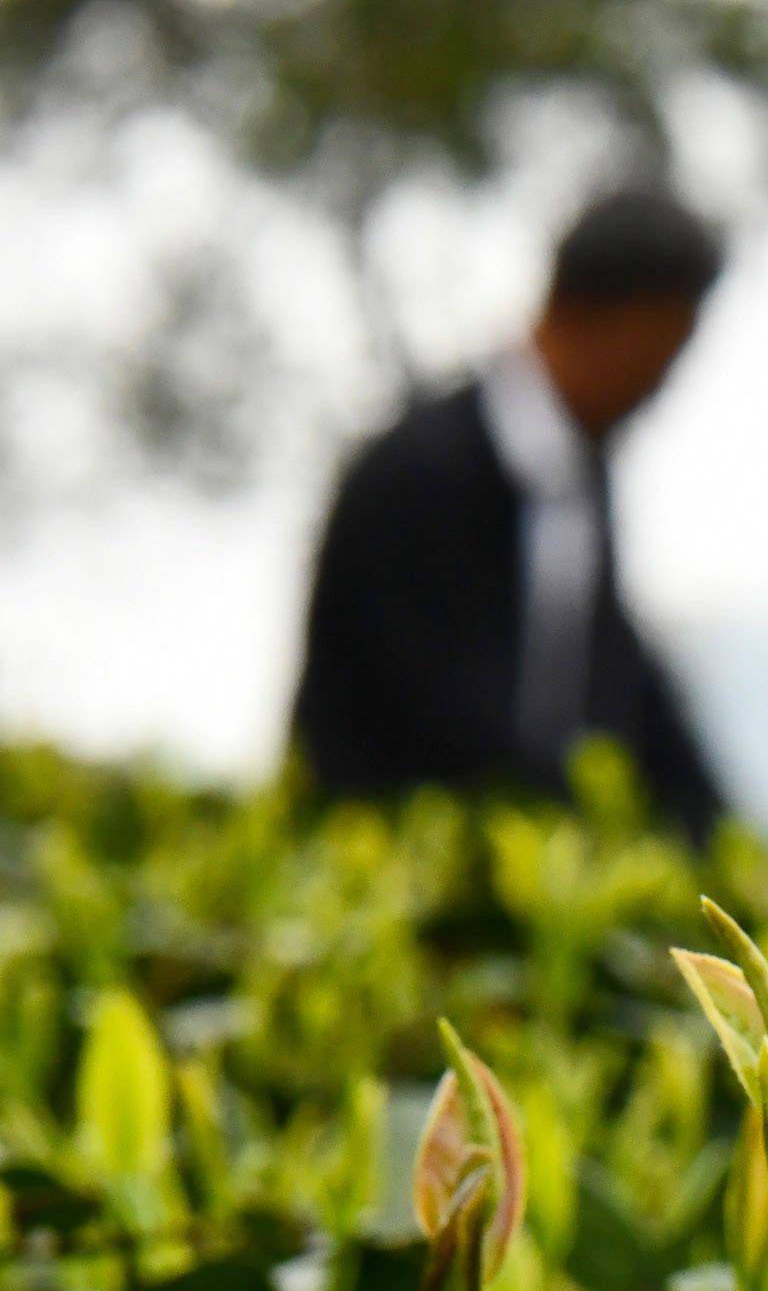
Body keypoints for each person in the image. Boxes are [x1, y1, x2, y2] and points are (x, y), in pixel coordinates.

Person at [289, 187, 727, 837]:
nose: (660, 386)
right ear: (597, 314)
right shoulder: (417, 475)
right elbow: (431, 714)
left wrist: (716, 831)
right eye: (661, 353)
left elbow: (624, 684)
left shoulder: (579, 485)